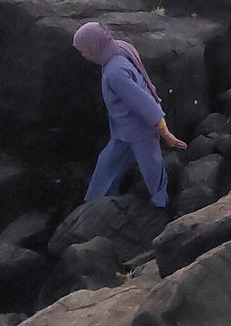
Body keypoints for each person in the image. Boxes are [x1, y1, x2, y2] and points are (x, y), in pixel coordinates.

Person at [73, 21, 188, 208]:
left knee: (151, 168)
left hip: (140, 129)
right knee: (107, 162)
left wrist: (166, 134)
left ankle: (162, 204)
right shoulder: (120, 47)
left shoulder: (115, 73)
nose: (83, 55)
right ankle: (94, 202)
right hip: (123, 128)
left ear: (95, 48)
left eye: (83, 50)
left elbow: (144, 104)